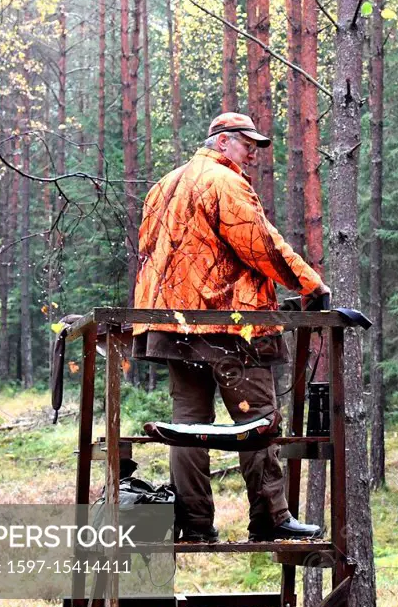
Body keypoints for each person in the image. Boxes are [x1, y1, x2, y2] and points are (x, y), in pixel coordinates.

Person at [132, 112, 329, 543]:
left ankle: (194, 525)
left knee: (187, 424)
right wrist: (310, 284)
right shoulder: (224, 182)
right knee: (258, 418)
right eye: (246, 144)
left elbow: (147, 253)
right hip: (227, 326)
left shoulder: (163, 186)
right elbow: (261, 244)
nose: (252, 154)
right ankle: (270, 518)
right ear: (222, 142)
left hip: (170, 326)